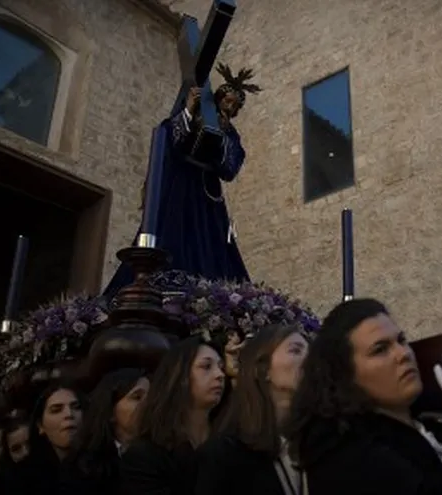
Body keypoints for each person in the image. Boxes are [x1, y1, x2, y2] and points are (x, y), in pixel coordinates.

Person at [103, 64, 262, 297]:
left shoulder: (231, 133)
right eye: (227, 101)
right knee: (173, 232)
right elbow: (168, 136)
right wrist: (188, 109)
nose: (230, 107)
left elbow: (231, 166)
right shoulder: (194, 115)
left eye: (235, 106)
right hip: (180, 185)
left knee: (209, 241)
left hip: (208, 194)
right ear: (218, 100)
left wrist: (221, 139)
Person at [285, 298, 442, 495]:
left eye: (401, 340)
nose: (403, 353)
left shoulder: (431, 417)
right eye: (380, 349)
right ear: (345, 375)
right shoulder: (353, 458)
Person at [196, 324, 310, 495]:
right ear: (262, 369)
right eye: (295, 350)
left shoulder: (316, 445)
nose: (310, 359)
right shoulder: (224, 455)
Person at [119, 338, 229, 495]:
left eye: (221, 367)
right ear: (180, 377)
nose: (220, 375)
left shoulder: (230, 442)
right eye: (206, 367)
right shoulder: (147, 455)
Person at [60, 368, 150, 495]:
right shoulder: (83, 466)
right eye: (137, 397)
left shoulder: (167, 453)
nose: (148, 404)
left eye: (151, 396)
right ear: (110, 411)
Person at [0, 384, 85, 495]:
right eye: (56, 410)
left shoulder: (100, 467)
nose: (69, 414)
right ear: (40, 426)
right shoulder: (17, 480)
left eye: (76, 407)